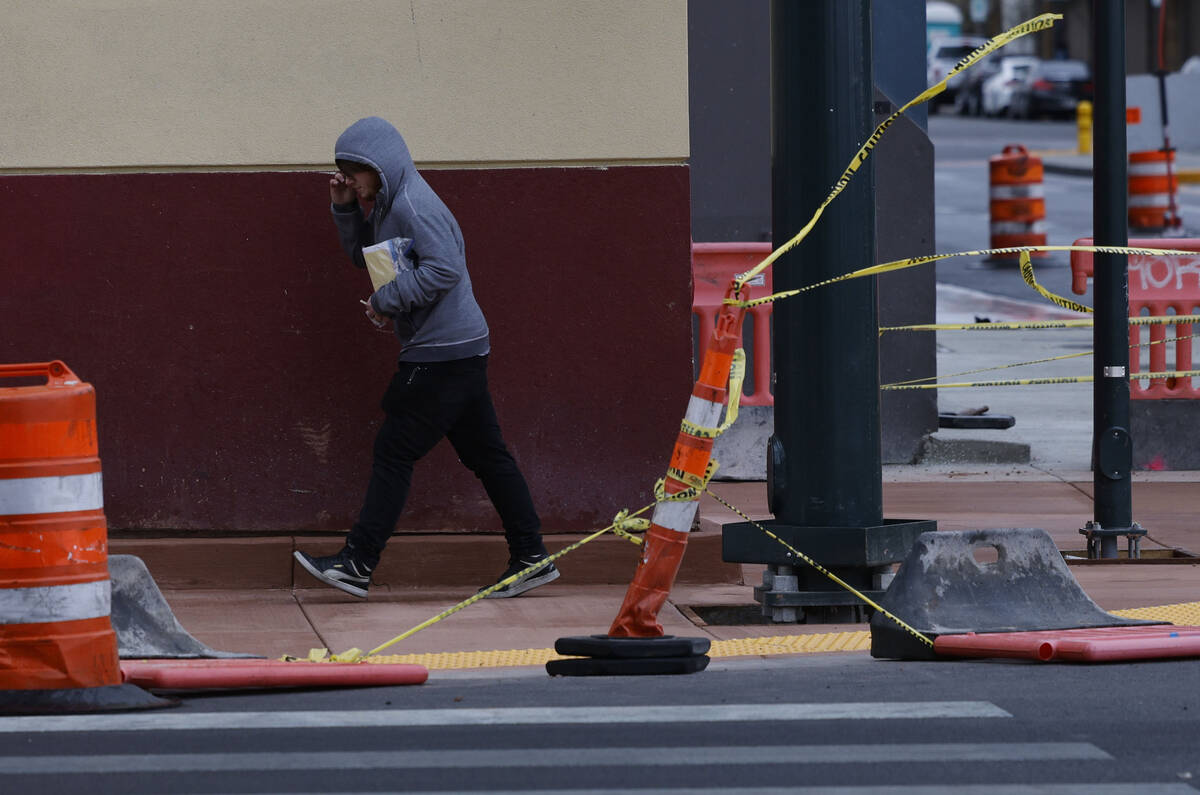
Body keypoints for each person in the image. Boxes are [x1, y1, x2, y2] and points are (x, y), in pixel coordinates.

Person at [294, 116, 558, 599]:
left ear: (382, 164)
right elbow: (367, 259)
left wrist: (385, 303)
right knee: (488, 456)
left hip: (443, 353)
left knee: (395, 451)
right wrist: (345, 209)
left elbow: (445, 270)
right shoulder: (386, 204)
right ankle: (531, 557)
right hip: (456, 348)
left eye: (354, 171)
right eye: (343, 172)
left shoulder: (415, 205)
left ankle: (357, 562)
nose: (348, 179)